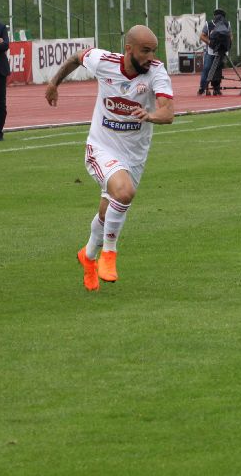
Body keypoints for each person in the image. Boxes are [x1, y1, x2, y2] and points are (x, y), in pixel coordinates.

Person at [44, 25, 174, 291]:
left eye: (153, 51)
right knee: (124, 193)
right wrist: (54, 82)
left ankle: (88, 256)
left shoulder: (156, 72)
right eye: (145, 51)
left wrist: (151, 116)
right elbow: (74, 58)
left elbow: (168, 112)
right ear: (129, 49)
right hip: (100, 147)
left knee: (109, 209)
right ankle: (109, 254)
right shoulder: (104, 62)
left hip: (134, 155)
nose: (151, 56)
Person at [0, 18, 8, 141]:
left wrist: (1, 43)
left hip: (0, 71)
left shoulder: (1, 27)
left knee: (0, 104)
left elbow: (5, 44)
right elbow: (0, 45)